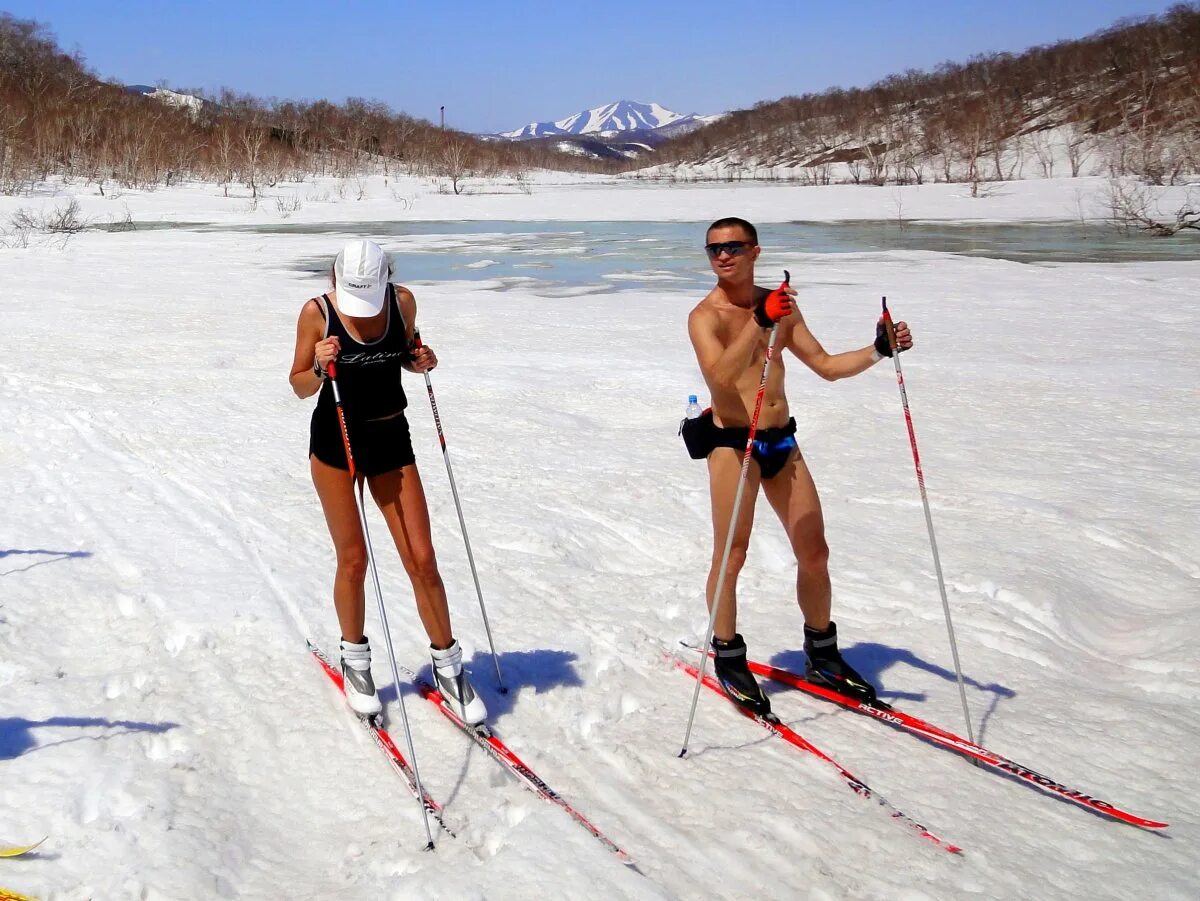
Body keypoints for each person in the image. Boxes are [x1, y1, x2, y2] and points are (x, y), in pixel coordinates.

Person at [685, 217, 913, 715]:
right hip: (732, 446)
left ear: (755, 251)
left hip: (781, 444)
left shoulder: (781, 307)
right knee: (733, 555)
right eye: (713, 249)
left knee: (815, 553)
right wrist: (760, 323)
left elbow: (827, 367)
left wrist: (879, 349)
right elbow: (722, 376)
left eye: (734, 247)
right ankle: (727, 653)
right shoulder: (706, 315)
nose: (723, 256)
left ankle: (822, 653)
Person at [289, 239, 486, 725]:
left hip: (391, 438)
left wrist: (417, 359)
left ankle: (449, 667)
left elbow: (404, 351)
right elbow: (297, 384)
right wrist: (317, 364)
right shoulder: (316, 313)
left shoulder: (402, 303)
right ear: (335, 281)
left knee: (422, 559)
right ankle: (355, 660)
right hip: (335, 444)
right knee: (354, 559)